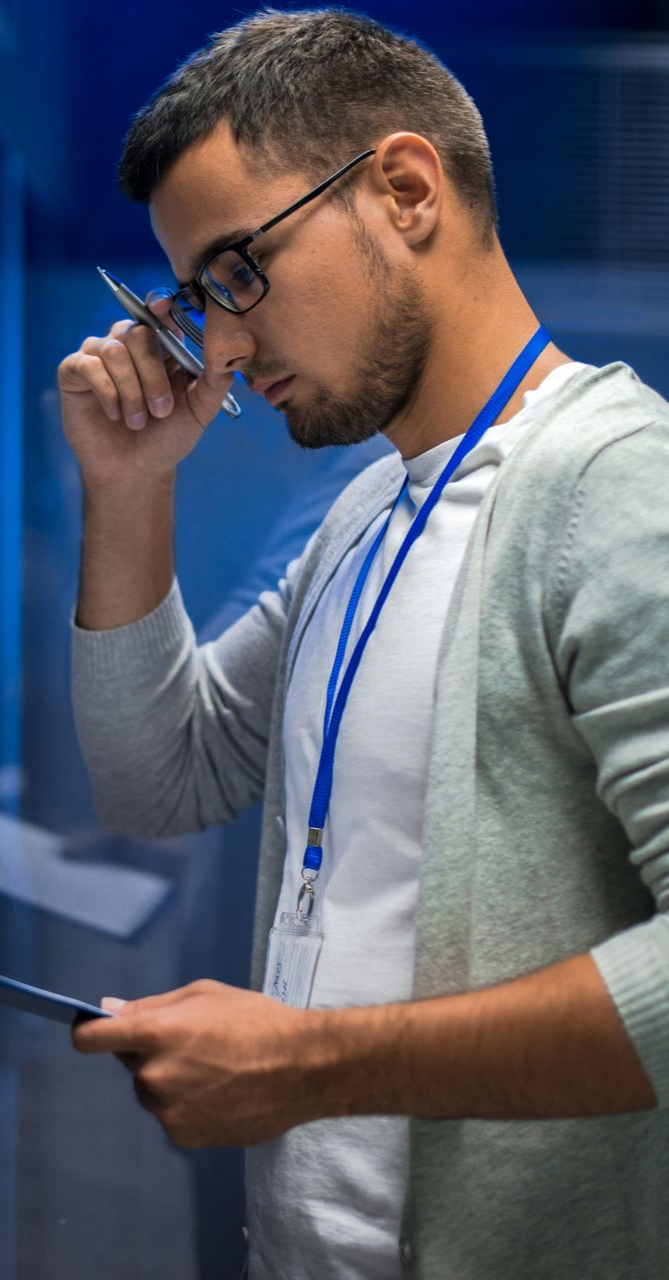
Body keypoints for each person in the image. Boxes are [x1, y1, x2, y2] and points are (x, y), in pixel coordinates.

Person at [59, 10, 669, 1279]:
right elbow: (156, 777)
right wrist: (127, 490)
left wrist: (306, 1061)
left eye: (237, 271)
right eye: (189, 299)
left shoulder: (610, 491)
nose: (216, 347)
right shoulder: (362, 514)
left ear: (402, 189)